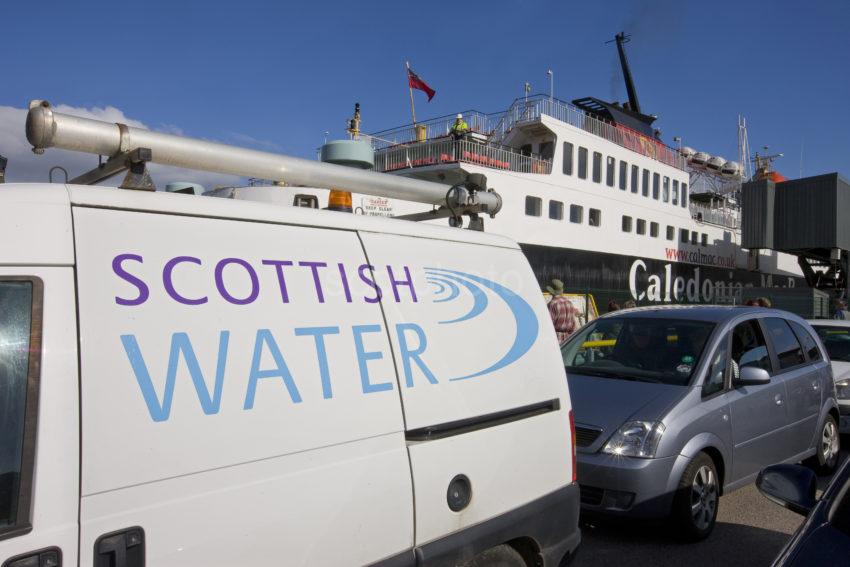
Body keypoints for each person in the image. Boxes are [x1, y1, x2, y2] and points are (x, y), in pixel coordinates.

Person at [546, 279, 580, 344]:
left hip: (556, 339)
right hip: (568, 339)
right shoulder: (569, 303)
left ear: (551, 291)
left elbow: (549, 325)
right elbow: (573, 324)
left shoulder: (552, 304)